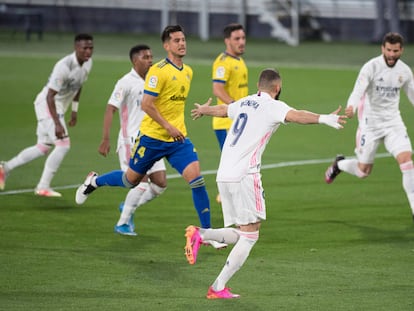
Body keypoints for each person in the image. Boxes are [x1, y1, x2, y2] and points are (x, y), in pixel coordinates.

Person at [184, 68, 346, 299]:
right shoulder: (274, 106)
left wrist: (204, 110)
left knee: (244, 232)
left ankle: (202, 235)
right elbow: (297, 115)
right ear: (277, 88)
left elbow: (223, 110)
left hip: (224, 174)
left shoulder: (245, 102)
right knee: (250, 236)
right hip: (245, 175)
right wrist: (324, 118)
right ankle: (217, 285)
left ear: (258, 86)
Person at [76, 25, 222, 245]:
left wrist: (198, 112)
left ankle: (208, 234)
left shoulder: (188, 72)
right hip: (151, 138)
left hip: (177, 140)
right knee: (130, 181)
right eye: (176, 40)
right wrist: (167, 126)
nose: (182, 43)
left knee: (197, 180)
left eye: (183, 40)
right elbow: (147, 105)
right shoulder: (158, 71)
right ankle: (94, 182)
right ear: (166, 45)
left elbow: (174, 106)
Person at [325, 32, 414, 220]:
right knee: (362, 171)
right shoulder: (371, 67)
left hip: (393, 123)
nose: (391, 55)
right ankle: (339, 164)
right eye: (388, 50)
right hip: (370, 125)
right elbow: (358, 90)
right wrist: (351, 107)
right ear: (383, 48)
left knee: (407, 161)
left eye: (395, 51)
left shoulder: (405, 72)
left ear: (401, 50)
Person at [0, 33, 94, 196]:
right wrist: (57, 123)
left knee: (42, 147)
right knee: (63, 145)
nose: (88, 51)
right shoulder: (64, 66)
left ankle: (5, 168)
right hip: (47, 105)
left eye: (91, 48)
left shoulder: (88, 64)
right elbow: (50, 96)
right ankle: (43, 186)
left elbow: (79, 86)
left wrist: (74, 111)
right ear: (76, 48)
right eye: (85, 48)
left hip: (58, 108)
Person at [98, 44, 167, 236]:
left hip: (152, 139)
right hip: (131, 141)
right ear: (135, 60)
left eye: (151, 56)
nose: (150, 60)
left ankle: (128, 205)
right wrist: (105, 138)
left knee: (160, 184)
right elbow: (111, 108)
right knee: (141, 183)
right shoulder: (125, 82)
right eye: (146, 57)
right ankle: (123, 223)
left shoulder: (153, 81)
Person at [211, 23, 248, 203]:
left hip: (239, 122)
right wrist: (235, 106)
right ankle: (226, 195)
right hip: (226, 123)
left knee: (240, 162)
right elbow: (217, 89)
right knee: (234, 162)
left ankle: (227, 195)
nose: (241, 42)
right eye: (237, 39)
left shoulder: (239, 61)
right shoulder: (223, 63)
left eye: (243, 38)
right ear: (227, 41)